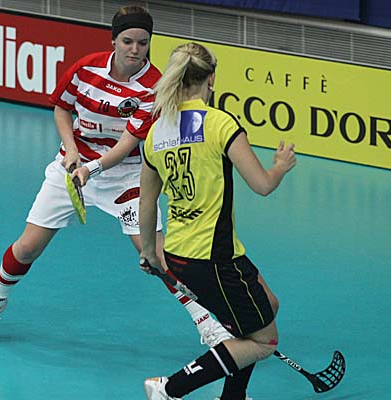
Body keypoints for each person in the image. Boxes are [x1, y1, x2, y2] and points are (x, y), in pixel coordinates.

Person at [0, 5, 230, 352]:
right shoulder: (86, 68)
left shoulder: (154, 87)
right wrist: (72, 151)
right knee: (27, 247)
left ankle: (206, 323)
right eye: (128, 41)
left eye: (143, 43)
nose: (135, 49)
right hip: (70, 168)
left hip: (124, 177)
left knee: (155, 256)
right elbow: (62, 108)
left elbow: (126, 144)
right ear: (114, 40)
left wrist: (92, 169)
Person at [139, 42, 296, 400]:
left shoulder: (157, 132)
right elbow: (262, 185)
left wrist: (149, 252)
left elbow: (146, 201)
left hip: (181, 253)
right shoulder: (220, 123)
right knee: (264, 341)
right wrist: (280, 167)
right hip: (213, 258)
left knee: (268, 304)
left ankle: (232, 397)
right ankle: (169, 389)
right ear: (210, 79)